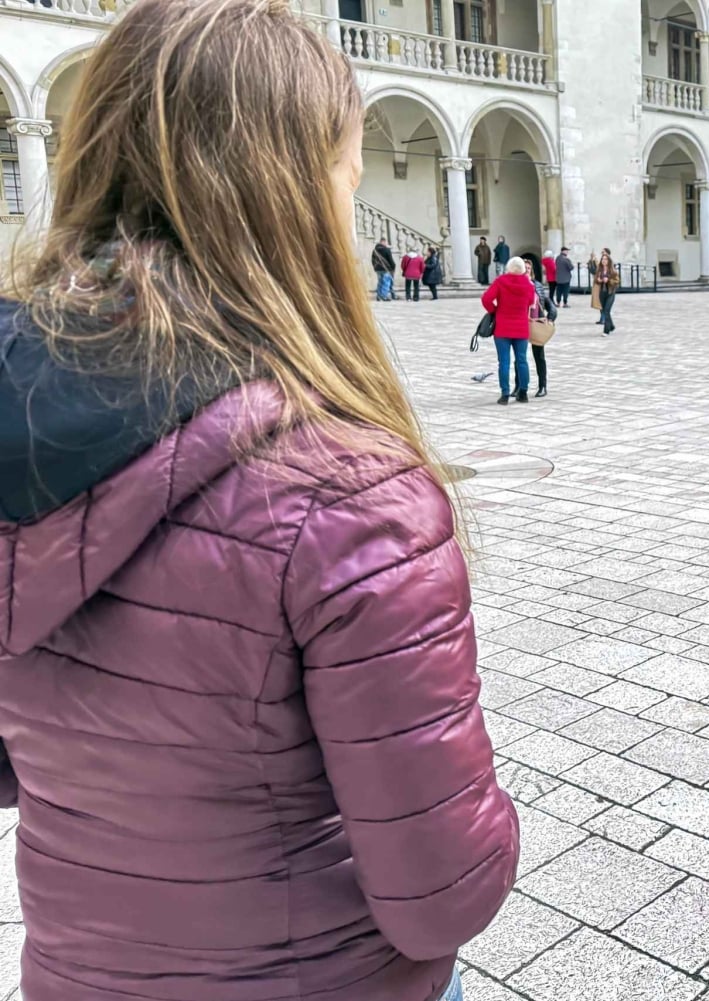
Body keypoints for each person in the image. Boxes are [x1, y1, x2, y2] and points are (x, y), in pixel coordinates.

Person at [0, 1, 521, 999]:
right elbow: (442, 897)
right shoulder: (348, 493)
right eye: (348, 175)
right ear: (301, 195)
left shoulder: (14, 416)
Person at [481, 257, 534, 404]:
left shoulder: (501, 281)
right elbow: (531, 302)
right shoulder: (528, 284)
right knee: (522, 360)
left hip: (502, 327)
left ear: (509, 267)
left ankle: (505, 394)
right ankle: (523, 392)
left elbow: (486, 299)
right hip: (521, 327)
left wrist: (495, 310)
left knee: (504, 362)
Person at [528, 258, 556, 398]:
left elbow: (549, 304)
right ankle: (518, 386)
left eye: (528, 268)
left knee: (539, 356)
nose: (526, 270)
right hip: (521, 325)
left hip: (536, 324)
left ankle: (542, 386)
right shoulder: (515, 286)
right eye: (523, 268)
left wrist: (550, 318)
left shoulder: (537, 286)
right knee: (519, 358)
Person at [596, 247, 619, 336]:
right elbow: (596, 280)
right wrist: (598, 280)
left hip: (610, 293)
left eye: (606, 259)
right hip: (602, 293)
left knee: (606, 310)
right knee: (604, 311)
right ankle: (611, 326)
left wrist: (608, 280)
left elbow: (617, 281)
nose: (604, 260)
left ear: (609, 260)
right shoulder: (599, 270)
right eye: (602, 259)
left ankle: (606, 331)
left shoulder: (613, 271)